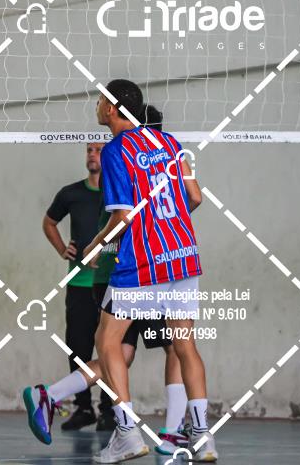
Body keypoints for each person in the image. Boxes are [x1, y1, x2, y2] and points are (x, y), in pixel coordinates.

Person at [24, 106, 190, 455]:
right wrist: (97, 247)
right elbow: (124, 219)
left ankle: (49, 395)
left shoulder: (139, 165)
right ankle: (162, 431)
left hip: (140, 272)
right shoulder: (130, 166)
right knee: (160, 347)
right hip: (130, 273)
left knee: (123, 354)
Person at [86, 80, 217, 462]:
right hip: (183, 255)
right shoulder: (170, 143)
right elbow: (195, 197)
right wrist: (168, 225)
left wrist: (96, 246)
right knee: (185, 344)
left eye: (100, 101)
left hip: (143, 262)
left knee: (107, 340)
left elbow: (123, 216)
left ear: (111, 108)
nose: (97, 106)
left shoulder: (115, 151)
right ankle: (203, 437)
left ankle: (127, 433)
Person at [42, 143, 114, 431]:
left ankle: (109, 409)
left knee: (111, 347)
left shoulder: (117, 194)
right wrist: (63, 249)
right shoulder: (71, 194)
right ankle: (83, 408)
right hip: (79, 284)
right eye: (89, 150)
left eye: (98, 150)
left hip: (110, 283)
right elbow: (49, 222)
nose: (92, 154)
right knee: (78, 347)